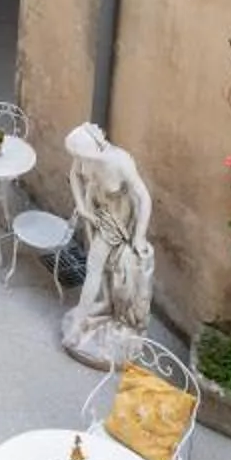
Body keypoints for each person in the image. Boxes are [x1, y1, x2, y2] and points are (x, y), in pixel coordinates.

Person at [60, 122, 154, 368]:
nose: (79, 161)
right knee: (98, 269)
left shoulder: (120, 162)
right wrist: (81, 205)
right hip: (97, 213)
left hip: (117, 221)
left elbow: (143, 197)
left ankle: (82, 321)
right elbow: (74, 175)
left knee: (97, 268)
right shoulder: (85, 158)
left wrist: (140, 236)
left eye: (80, 155)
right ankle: (99, 306)